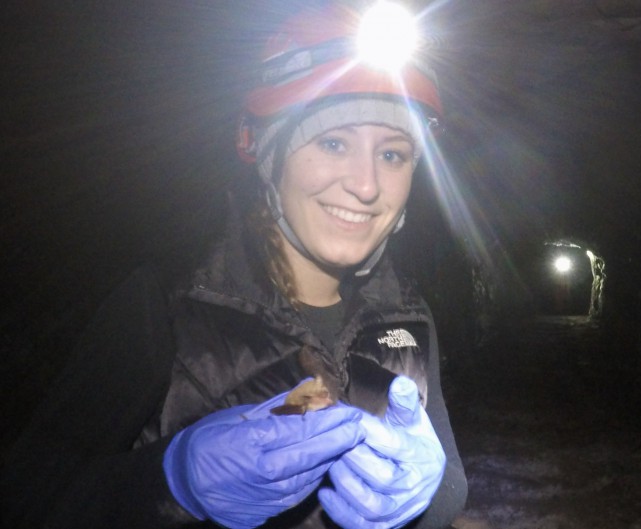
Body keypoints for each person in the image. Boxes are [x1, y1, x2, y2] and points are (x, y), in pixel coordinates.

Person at [1, 2, 468, 528]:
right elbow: (26, 496)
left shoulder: (407, 318)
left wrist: (434, 493)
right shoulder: (165, 306)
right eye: (333, 142)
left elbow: (447, 483)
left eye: (393, 154)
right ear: (268, 153)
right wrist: (171, 481)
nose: (366, 186)